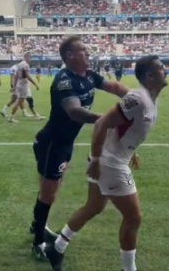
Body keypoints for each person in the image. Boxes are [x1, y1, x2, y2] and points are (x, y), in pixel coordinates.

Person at [45, 56, 166, 271]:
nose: (165, 70)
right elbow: (102, 124)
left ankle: (57, 247)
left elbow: (122, 126)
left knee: (93, 206)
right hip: (109, 163)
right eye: (161, 68)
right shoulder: (137, 98)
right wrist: (98, 159)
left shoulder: (149, 99)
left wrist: (131, 150)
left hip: (110, 159)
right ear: (149, 76)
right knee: (133, 217)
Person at [29, 35, 128, 259]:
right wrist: (108, 119)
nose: (88, 52)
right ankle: (38, 243)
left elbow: (112, 85)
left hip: (64, 143)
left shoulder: (89, 75)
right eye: (83, 50)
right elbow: (74, 112)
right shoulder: (65, 80)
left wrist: (134, 97)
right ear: (70, 56)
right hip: (52, 144)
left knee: (49, 191)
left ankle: (38, 225)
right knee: (48, 194)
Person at [7, 53, 44, 122]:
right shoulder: (25, 65)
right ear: (27, 58)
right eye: (30, 58)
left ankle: (36, 115)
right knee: (18, 102)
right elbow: (28, 76)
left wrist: (14, 86)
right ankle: (11, 117)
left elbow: (16, 76)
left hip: (21, 85)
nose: (30, 60)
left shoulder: (19, 64)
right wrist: (35, 84)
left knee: (30, 100)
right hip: (23, 86)